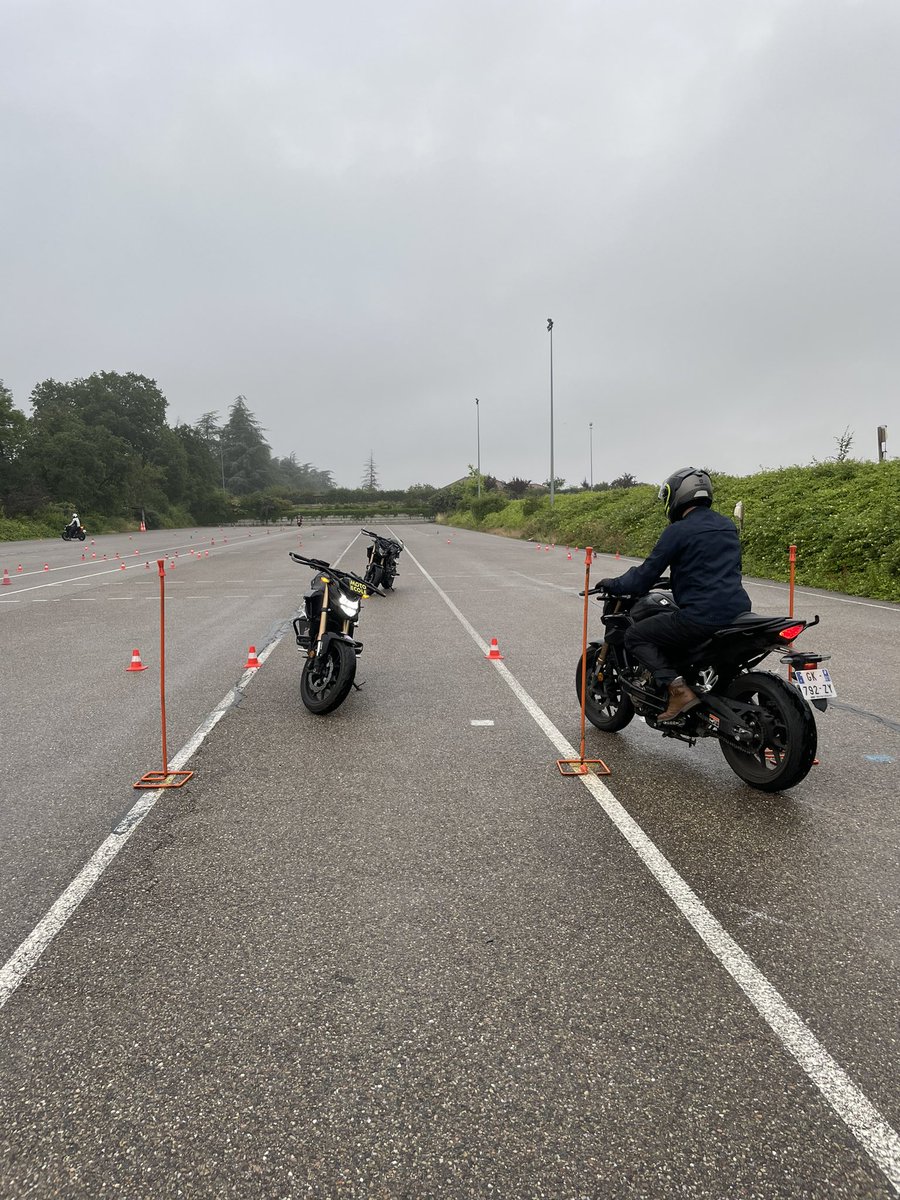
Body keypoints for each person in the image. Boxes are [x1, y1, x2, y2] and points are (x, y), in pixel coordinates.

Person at [598, 467, 751, 722]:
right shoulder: (726, 525)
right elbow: (718, 567)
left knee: (635, 635)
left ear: (677, 496)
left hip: (702, 617)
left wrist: (613, 584)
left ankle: (678, 690)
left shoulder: (678, 531)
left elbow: (643, 577)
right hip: (739, 611)